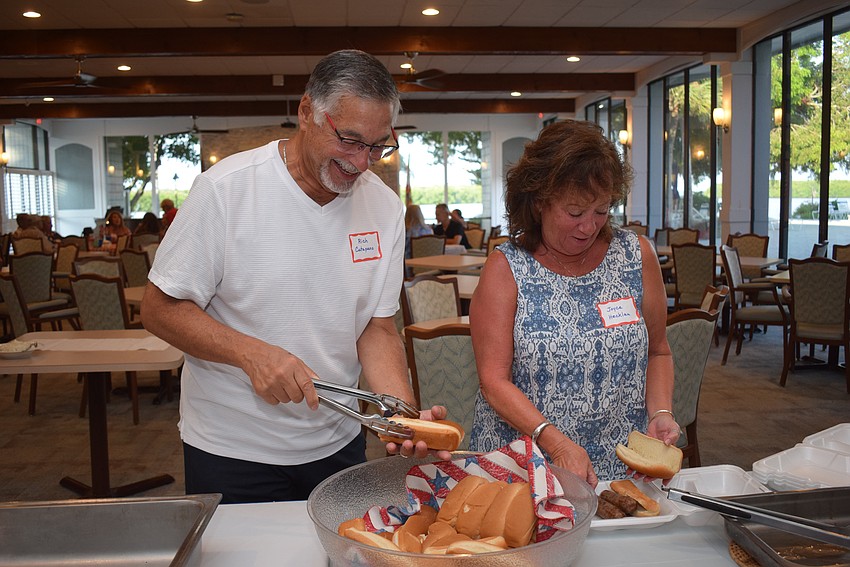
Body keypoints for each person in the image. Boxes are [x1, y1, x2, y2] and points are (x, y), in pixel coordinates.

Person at [141, 49, 451, 505]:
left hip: (338, 442)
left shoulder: (383, 207)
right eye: (349, 140)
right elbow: (159, 309)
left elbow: (377, 326)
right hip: (233, 447)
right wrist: (250, 354)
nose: (362, 162)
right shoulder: (226, 190)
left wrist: (399, 415)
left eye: (378, 146)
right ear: (307, 112)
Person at [467, 120, 678, 488]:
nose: (589, 227)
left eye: (602, 210)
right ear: (538, 203)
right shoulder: (507, 268)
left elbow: (658, 351)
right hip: (526, 469)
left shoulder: (635, 255)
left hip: (620, 469)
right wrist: (556, 442)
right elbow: (493, 382)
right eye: (575, 212)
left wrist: (660, 411)